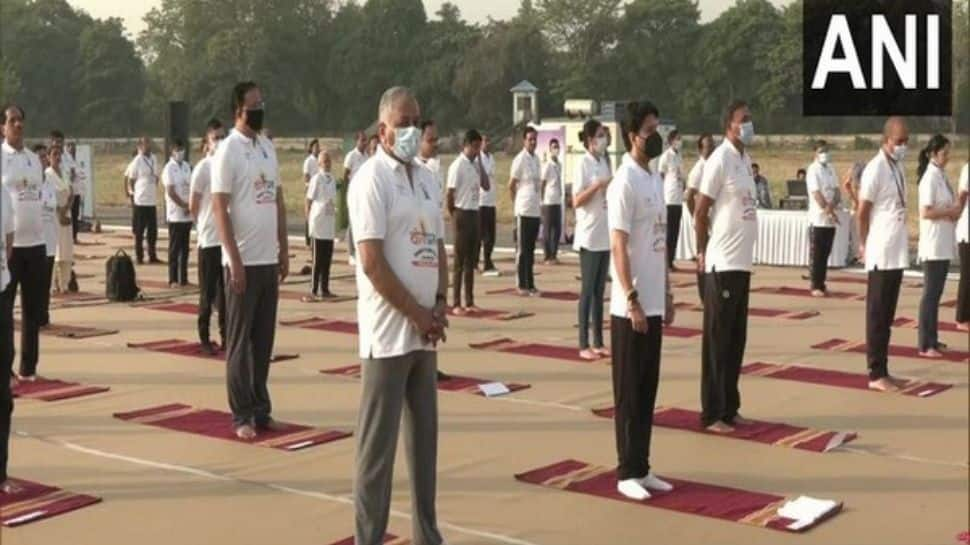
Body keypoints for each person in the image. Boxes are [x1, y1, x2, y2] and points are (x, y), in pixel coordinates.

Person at [349, 86, 447, 545]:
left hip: (423, 336)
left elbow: (438, 246)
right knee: (377, 453)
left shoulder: (426, 177)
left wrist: (440, 301)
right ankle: (370, 537)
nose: (412, 130)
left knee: (423, 446)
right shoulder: (371, 179)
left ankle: (427, 534)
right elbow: (371, 261)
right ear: (383, 128)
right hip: (389, 335)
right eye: (403, 123)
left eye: (417, 120)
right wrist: (415, 313)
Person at [211, 81, 290, 439]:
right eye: (253, 105)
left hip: (267, 260)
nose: (260, 109)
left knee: (264, 340)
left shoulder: (267, 148)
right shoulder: (228, 151)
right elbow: (219, 208)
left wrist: (284, 247)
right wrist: (234, 259)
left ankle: (261, 408)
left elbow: (277, 199)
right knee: (241, 342)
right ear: (238, 111)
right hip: (241, 262)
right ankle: (241, 413)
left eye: (262, 102)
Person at [607, 100, 675, 501]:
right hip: (628, 304)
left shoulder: (654, 178)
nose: (657, 138)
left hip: (653, 298)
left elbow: (659, 242)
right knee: (629, 389)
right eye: (650, 131)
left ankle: (643, 465)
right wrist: (630, 296)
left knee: (648, 387)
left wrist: (665, 290)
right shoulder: (625, 182)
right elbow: (619, 244)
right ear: (634, 136)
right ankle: (626, 470)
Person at [693, 99, 759, 432]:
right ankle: (712, 412)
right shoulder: (719, 160)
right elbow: (700, 211)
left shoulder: (745, 160)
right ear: (728, 126)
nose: (749, 123)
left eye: (750, 118)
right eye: (743, 119)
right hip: (722, 262)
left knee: (736, 340)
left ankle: (731, 407)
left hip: (742, 263)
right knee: (717, 342)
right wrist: (701, 253)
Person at [857, 116, 911, 391]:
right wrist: (864, 244)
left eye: (906, 141)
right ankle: (875, 373)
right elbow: (863, 211)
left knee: (888, 315)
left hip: (896, 250)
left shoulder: (897, 167)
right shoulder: (875, 169)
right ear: (886, 140)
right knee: (877, 314)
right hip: (880, 250)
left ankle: (884, 369)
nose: (904, 145)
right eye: (899, 141)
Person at [1, 104, 46, 381]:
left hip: (36, 243)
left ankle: (29, 368)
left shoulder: (33, 158)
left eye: (21, 120)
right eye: (12, 120)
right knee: (5, 312)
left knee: (33, 310)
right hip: (9, 248)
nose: (18, 125)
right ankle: (4, 366)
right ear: (2, 127)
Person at [916, 135, 960, 357]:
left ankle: (933, 338)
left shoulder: (941, 176)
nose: (947, 157)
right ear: (933, 154)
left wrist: (953, 212)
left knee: (937, 293)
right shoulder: (929, 178)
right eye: (944, 153)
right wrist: (949, 212)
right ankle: (925, 343)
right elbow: (926, 211)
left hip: (943, 241)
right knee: (930, 294)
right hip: (933, 244)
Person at [574, 119, 612, 360]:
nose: (603, 139)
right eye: (599, 135)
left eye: (604, 135)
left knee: (600, 291)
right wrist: (596, 186)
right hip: (588, 234)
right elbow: (576, 200)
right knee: (587, 291)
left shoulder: (605, 162)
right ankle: (583, 344)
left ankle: (598, 340)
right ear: (589, 140)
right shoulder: (583, 164)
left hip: (604, 234)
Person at [189, 118, 227, 354]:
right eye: (216, 138)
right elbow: (193, 204)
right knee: (208, 292)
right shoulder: (203, 168)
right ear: (207, 142)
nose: (220, 142)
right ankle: (204, 337)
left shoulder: (229, 164)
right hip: (209, 240)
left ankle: (226, 335)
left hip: (226, 240)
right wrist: (203, 225)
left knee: (225, 295)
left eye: (224, 137)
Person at [446, 129, 488, 314]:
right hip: (461, 213)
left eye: (480, 147)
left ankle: (469, 300)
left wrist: (480, 163)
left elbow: (486, 186)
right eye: (475, 147)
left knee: (471, 260)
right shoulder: (457, 165)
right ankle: (456, 302)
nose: (478, 150)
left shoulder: (475, 164)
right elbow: (450, 193)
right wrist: (454, 213)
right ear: (468, 145)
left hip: (474, 212)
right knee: (459, 261)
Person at [806, 140, 841, 297]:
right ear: (815, 153)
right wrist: (827, 209)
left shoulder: (831, 169)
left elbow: (837, 191)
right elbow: (817, 194)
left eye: (826, 150)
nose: (825, 153)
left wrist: (832, 207)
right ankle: (815, 284)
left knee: (826, 253)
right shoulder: (813, 170)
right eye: (821, 151)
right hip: (818, 219)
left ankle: (822, 282)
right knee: (817, 254)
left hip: (829, 220)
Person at [510, 126, 542, 295]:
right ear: (524, 141)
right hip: (523, 209)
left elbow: (538, 184)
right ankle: (521, 283)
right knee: (522, 250)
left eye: (535, 139)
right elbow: (511, 185)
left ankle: (530, 283)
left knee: (531, 249)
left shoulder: (536, 159)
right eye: (530, 139)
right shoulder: (519, 159)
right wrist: (517, 204)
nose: (533, 142)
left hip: (535, 210)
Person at [1, 173, 17, 494]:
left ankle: (1, 472)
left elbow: (9, 239)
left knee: (3, 395)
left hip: (1, 292)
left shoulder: (3, 192)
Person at [684, 133, 715, 302]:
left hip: (714, 221)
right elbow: (689, 196)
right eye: (708, 147)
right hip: (702, 222)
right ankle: (704, 296)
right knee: (703, 256)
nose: (711, 150)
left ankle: (711, 292)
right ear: (700, 150)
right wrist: (696, 218)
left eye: (713, 146)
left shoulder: (714, 166)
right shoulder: (698, 170)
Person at [305, 149, 338, 300]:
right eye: (324, 161)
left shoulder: (332, 178)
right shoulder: (316, 179)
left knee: (327, 259)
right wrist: (308, 221)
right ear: (319, 163)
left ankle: (325, 289)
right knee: (317, 260)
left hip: (329, 223)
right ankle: (313, 289)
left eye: (329, 161)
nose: (327, 164)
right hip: (318, 224)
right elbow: (309, 200)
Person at [124, 136, 161, 264]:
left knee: (152, 231)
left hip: (151, 200)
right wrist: (132, 195)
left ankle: (152, 255)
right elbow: (130, 180)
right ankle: (139, 256)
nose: (148, 146)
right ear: (140, 146)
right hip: (140, 200)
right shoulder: (137, 161)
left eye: (149, 143)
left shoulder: (154, 158)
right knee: (139, 231)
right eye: (145, 144)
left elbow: (157, 176)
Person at [162, 139, 193, 288]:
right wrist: (183, 205)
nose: (180, 152)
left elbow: (192, 186)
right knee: (175, 248)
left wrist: (190, 205)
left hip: (188, 213)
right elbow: (171, 191)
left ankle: (184, 278)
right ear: (172, 151)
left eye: (182, 149)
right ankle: (173, 278)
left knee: (185, 248)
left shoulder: (187, 166)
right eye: (177, 150)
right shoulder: (169, 168)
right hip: (175, 214)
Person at [47, 146, 74, 295]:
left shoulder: (64, 173)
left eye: (59, 155)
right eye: (54, 154)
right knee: (55, 251)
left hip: (67, 214)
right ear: (49, 157)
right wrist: (60, 212)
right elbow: (48, 196)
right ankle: (51, 284)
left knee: (66, 251)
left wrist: (67, 209)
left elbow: (72, 193)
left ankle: (65, 284)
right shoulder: (48, 174)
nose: (57, 157)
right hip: (54, 216)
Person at [35, 144, 56, 327]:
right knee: (34, 282)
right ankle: (34, 314)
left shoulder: (49, 182)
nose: (43, 160)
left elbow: (53, 206)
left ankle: (44, 313)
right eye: (40, 157)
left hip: (49, 238)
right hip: (33, 240)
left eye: (44, 157)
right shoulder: (29, 182)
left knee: (46, 281)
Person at [658, 130, 684, 269]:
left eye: (680, 139)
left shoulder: (679, 156)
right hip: (669, 198)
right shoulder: (665, 156)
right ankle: (664, 261)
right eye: (678, 139)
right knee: (667, 233)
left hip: (678, 199)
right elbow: (661, 177)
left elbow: (680, 175)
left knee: (675, 232)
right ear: (671, 140)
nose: (680, 141)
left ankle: (671, 260)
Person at [342, 131, 369, 266]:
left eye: (366, 140)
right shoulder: (351, 156)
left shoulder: (367, 156)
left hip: (364, 194)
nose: (365, 143)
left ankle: (359, 251)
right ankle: (351, 253)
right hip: (353, 193)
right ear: (357, 141)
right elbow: (345, 176)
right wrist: (347, 192)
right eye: (362, 140)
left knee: (361, 222)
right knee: (352, 224)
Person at [478, 134, 499, 275]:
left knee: (491, 235)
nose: (488, 143)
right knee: (481, 235)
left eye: (489, 140)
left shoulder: (492, 158)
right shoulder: (478, 159)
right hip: (480, 201)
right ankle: (476, 261)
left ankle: (488, 260)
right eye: (485, 141)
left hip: (491, 201)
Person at [541, 139, 563, 264]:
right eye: (554, 147)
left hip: (557, 200)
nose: (556, 149)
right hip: (548, 201)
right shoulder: (547, 165)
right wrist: (542, 200)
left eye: (557, 146)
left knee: (557, 229)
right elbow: (543, 183)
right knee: (547, 229)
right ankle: (547, 255)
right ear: (550, 149)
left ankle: (554, 254)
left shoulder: (559, 164)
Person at [955, 162, 969, 331]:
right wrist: (955, 215)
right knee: (967, 276)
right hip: (967, 230)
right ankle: (962, 317)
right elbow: (962, 195)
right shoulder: (968, 169)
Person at [416, 120, 444, 196]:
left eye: (436, 140)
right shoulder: (412, 169)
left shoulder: (437, 167)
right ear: (419, 140)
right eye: (430, 140)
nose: (435, 144)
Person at [302, 138, 321, 247]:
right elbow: (306, 176)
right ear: (311, 148)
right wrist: (309, 186)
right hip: (310, 190)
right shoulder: (308, 161)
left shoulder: (319, 159)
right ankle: (308, 240)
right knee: (309, 214)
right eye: (315, 147)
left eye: (318, 147)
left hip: (319, 190)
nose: (317, 149)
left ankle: (316, 237)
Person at [65, 140, 83, 243]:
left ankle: (74, 236)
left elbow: (79, 177)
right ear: (66, 148)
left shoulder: (76, 161)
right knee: (68, 214)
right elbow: (70, 177)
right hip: (68, 192)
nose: (72, 148)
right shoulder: (66, 161)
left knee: (75, 215)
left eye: (73, 146)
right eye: (69, 146)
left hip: (76, 192)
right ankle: (68, 237)